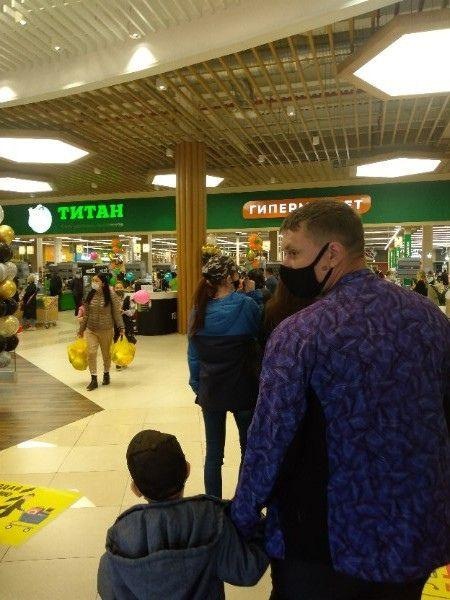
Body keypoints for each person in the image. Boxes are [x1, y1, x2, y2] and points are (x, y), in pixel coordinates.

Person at [232, 200, 450, 600]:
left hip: (326, 542)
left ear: (332, 253)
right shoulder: (431, 319)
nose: (285, 266)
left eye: (293, 253)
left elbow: (269, 440)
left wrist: (243, 516)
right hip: (414, 531)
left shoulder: (301, 333)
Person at [97, 429, 268, 600]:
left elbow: (107, 589)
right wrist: (262, 525)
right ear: (187, 470)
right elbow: (248, 571)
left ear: (136, 489)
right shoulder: (211, 520)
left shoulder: (120, 539)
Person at [188, 255, 261, 498]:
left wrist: (198, 385)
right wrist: (253, 293)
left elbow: (194, 355)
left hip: (211, 389)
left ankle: (213, 505)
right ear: (230, 278)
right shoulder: (246, 305)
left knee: (213, 455)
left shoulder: (197, 310)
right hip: (244, 387)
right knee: (247, 451)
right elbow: (259, 335)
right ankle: (242, 504)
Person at [78, 273, 124, 391]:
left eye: (96, 280)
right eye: (93, 280)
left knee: (106, 354)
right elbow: (86, 314)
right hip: (91, 329)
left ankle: (106, 373)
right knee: (91, 353)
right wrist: (81, 329)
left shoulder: (111, 294)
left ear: (103, 283)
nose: (93, 282)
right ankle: (93, 379)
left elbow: (116, 313)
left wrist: (121, 327)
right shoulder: (90, 294)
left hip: (106, 329)